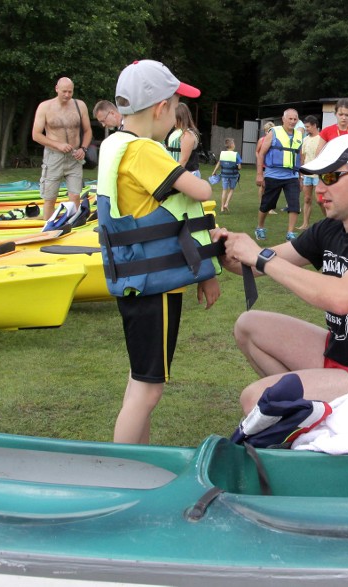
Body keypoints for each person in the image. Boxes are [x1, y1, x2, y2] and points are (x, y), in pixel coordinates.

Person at [215, 134, 348, 420]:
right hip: (339, 354)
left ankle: (308, 415)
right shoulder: (330, 229)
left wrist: (260, 256)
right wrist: (226, 251)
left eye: (330, 177)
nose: (320, 189)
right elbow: (252, 266)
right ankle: (309, 415)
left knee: (256, 400)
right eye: (318, 178)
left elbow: (341, 298)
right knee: (248, 326)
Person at [97, 59, 221, 444]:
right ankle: (124, 473)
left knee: (140, 383)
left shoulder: (114, 145)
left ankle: (138, 462)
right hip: (155, 286)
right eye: (175, 103)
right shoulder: (144, 152)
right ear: (160, 108)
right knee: (148, 390)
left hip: (138, 279)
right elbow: (202, 191)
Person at [31, 77, 93, 220]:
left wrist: (83, 149)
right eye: (64, 91)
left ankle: (74, 225)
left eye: (70, 92)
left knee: (75, 195)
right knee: (50, 197)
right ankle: (48, 228)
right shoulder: (45, 107)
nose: (67, 95)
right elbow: (36, 135)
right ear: (56, 89)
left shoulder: (80, 105)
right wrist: (58, 144)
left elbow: (88, 131)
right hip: (54, 156)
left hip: (75, 156)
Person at [255, 109, 303, 241]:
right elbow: (261, 154)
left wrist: (300, 177)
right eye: (290, 119)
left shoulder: (299, 135)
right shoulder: (274, 132)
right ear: (283, 119)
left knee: (294, 205)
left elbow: (299, 157)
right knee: (267, 205)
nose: (292, 121)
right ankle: (260, 227)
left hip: (292, 176)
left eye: (295, 119)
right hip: (273, 175)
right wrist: (260, 174)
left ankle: (290, 233)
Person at [298, 115, 321, 230]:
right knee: (307, 199)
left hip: (318, 174)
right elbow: (302, 157)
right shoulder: (305, 139)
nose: (306, 129)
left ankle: (330, 221)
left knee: (320, 200)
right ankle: (305, 224)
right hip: (307, 174)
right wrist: (301, 174)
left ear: (314, 125)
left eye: (307, 126)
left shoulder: (322, 138)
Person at [167, 103, 201, 177]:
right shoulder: (177, 132)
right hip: (177, 173)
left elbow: (183, 160)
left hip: (187, 175)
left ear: (179, 117)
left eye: (173, 117)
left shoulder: (187, 135)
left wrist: (171, 177)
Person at [211, 138, 242, 212]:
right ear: (231, 145)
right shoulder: (236, 154)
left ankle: (222, 207)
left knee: (224, 190)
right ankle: (226, 204)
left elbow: (219, 163)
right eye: (234, 143)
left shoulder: (222, 154)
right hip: (233, 175)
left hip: (224, 175)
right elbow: (239, 167)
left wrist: (214, 171)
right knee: (231, 189)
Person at [256, 121, 278, 215]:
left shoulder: (276, 140)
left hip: (273, 166)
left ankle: (270, 207)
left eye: (269, 131)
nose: (267, 133)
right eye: (266, 131)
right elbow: (257, 152)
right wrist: (260, 161)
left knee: (272, 186)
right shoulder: (262, 140)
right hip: (264, 166)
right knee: (263, 186)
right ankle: (263, 205)